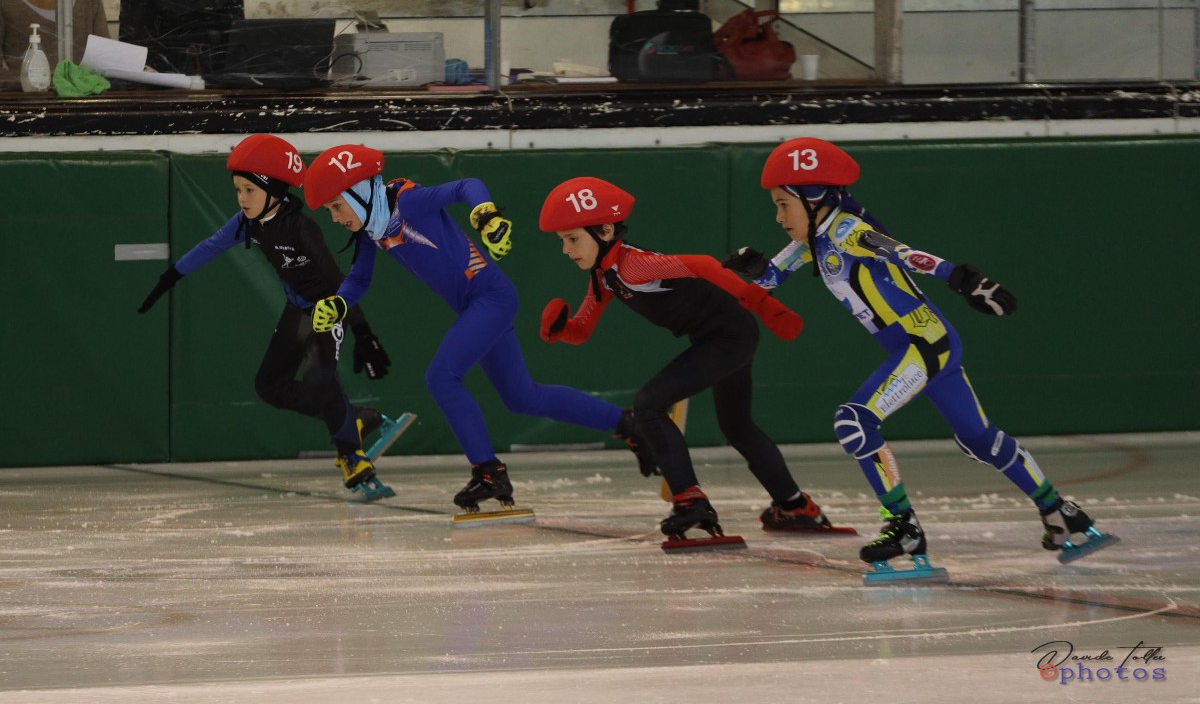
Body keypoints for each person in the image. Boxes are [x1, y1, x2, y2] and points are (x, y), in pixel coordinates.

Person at [723, 136, 1116, 568]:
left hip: (923, 343)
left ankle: (904, 527)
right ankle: (1060, 511)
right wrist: (752, 270)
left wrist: (962, 279)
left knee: (854, 421)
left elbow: (903, 254)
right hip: (928, 343)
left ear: (814, 199)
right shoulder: (814, 240)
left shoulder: (846, 231)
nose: (779, 217)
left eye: (784, 204)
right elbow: (771, 278)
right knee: (979, 439)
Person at [302, 145, 630, 517]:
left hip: (490, 298)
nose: (335, 218)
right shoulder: (371, 229)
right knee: (523, 397)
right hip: (479, 304)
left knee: (441, 377)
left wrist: (487, 217)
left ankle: (489, 472)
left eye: (336, 206)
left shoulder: (408, 203)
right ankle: (627, 422)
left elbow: (465, 186)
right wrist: (339, 303)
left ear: (360, 192)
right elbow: (360, 278)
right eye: (330, 210)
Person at [537, 176, 843, 543]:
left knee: (649, 405)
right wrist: (560, 329)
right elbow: (582, 329)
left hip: (729, 335)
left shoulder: (633, 265)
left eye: (572, 239)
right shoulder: (604, 277)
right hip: (723, 334)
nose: (566, 250)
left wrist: (765, 305)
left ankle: (690, 502)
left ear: (605, 231)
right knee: (737, 426)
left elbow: (703, 264)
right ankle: (795, 506)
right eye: (562, 241)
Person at [137, 134, 395, 495]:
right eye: (238, 190)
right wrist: (171, 276)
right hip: (297, 310)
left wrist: (363, 332)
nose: (241, 198)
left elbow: (337, 279)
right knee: (270, 386)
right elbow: (210, 246)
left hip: (327, 309)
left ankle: (353, 456)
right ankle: (356, 419)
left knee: (319, 379)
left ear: (273, 189)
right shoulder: (246, 224)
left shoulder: (302, 227)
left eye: (249, 190)